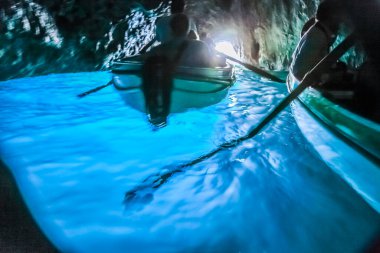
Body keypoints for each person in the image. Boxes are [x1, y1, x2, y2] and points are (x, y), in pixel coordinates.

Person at [290, 0, 347, 80]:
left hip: (301, 71)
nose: (341, 20)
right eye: (337, 16)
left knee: (341, 68)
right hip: (301, 75)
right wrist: (329, 76)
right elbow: (300, 72)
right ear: (329, 18)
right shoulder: (318, 36)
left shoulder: (319, 30)